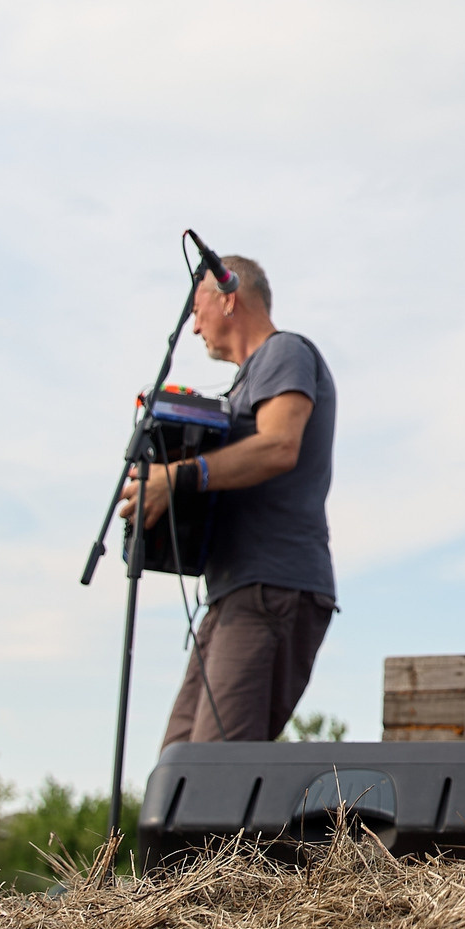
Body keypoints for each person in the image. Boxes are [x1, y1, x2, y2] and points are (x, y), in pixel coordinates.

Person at [121, 254, 339, 744]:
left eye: (196, 309)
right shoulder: (247, 379)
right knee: (178, 770)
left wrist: (176, 478)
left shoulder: (285, 351)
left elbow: (279, 445)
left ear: (228, 297)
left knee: (213, 776)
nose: (192, 327)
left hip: (271, 588)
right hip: (234, 592)